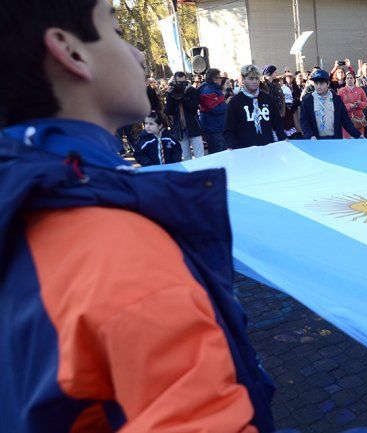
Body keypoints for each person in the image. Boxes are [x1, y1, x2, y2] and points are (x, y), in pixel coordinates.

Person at [0, 1, 276, 431]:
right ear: (71, 53)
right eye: (114, 30)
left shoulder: (23, 202)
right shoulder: (117, 250)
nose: (141, 54)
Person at [223, 64, 286, 149]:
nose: (255, 81)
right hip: (245, 149)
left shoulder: (268, 99)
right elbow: (229, 128)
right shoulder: (235, 102)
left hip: (268, 147)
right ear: (243, 79)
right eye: (251, 78)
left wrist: (283, 138)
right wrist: (231, 146)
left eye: (257, 78)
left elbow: (277, 122)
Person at [299, 69, 362, 139]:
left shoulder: (336, 100)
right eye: (316, 83)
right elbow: (304, 121)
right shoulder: (307, 100)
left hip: (334, 141)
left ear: (328, 84)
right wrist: (310, 135)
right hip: (315, 141)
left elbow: (346, 120)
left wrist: (358, 135)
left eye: (321, 83)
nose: (318, 86)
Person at [165, 71, 204, 159]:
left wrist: (184, 96)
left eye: (183, 82)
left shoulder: (192, 91)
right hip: (180, 130)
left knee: (200, 156)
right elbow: (168, 111)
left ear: (187, 81)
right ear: (174, 82)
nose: (181, 85)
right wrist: (169, 95)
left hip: (193, 127)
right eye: (179, 83)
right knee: (186, 157)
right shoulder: (172, 92)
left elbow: (193, 109)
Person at [199, 68, 228, 154]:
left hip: (219, 126)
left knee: (223, 153)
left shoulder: (214, 89)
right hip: (213, 129)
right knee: (218, 155)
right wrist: (227, 104)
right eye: (220, 77)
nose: (221, 80)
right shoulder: (207, 91)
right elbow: (215, 109)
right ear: (214, 79)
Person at [338, 70, 367, 138]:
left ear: (354, 80)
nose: (349, 79)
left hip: (359, 119)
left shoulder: (360, 90)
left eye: (351, 78)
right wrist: (349, 106)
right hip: (346, 119)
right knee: (347, 139)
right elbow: (338, 105)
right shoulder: (341, 91)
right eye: (347, 78)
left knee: (359, 139)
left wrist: (360, 104)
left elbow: (366, 103)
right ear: (345, 80)